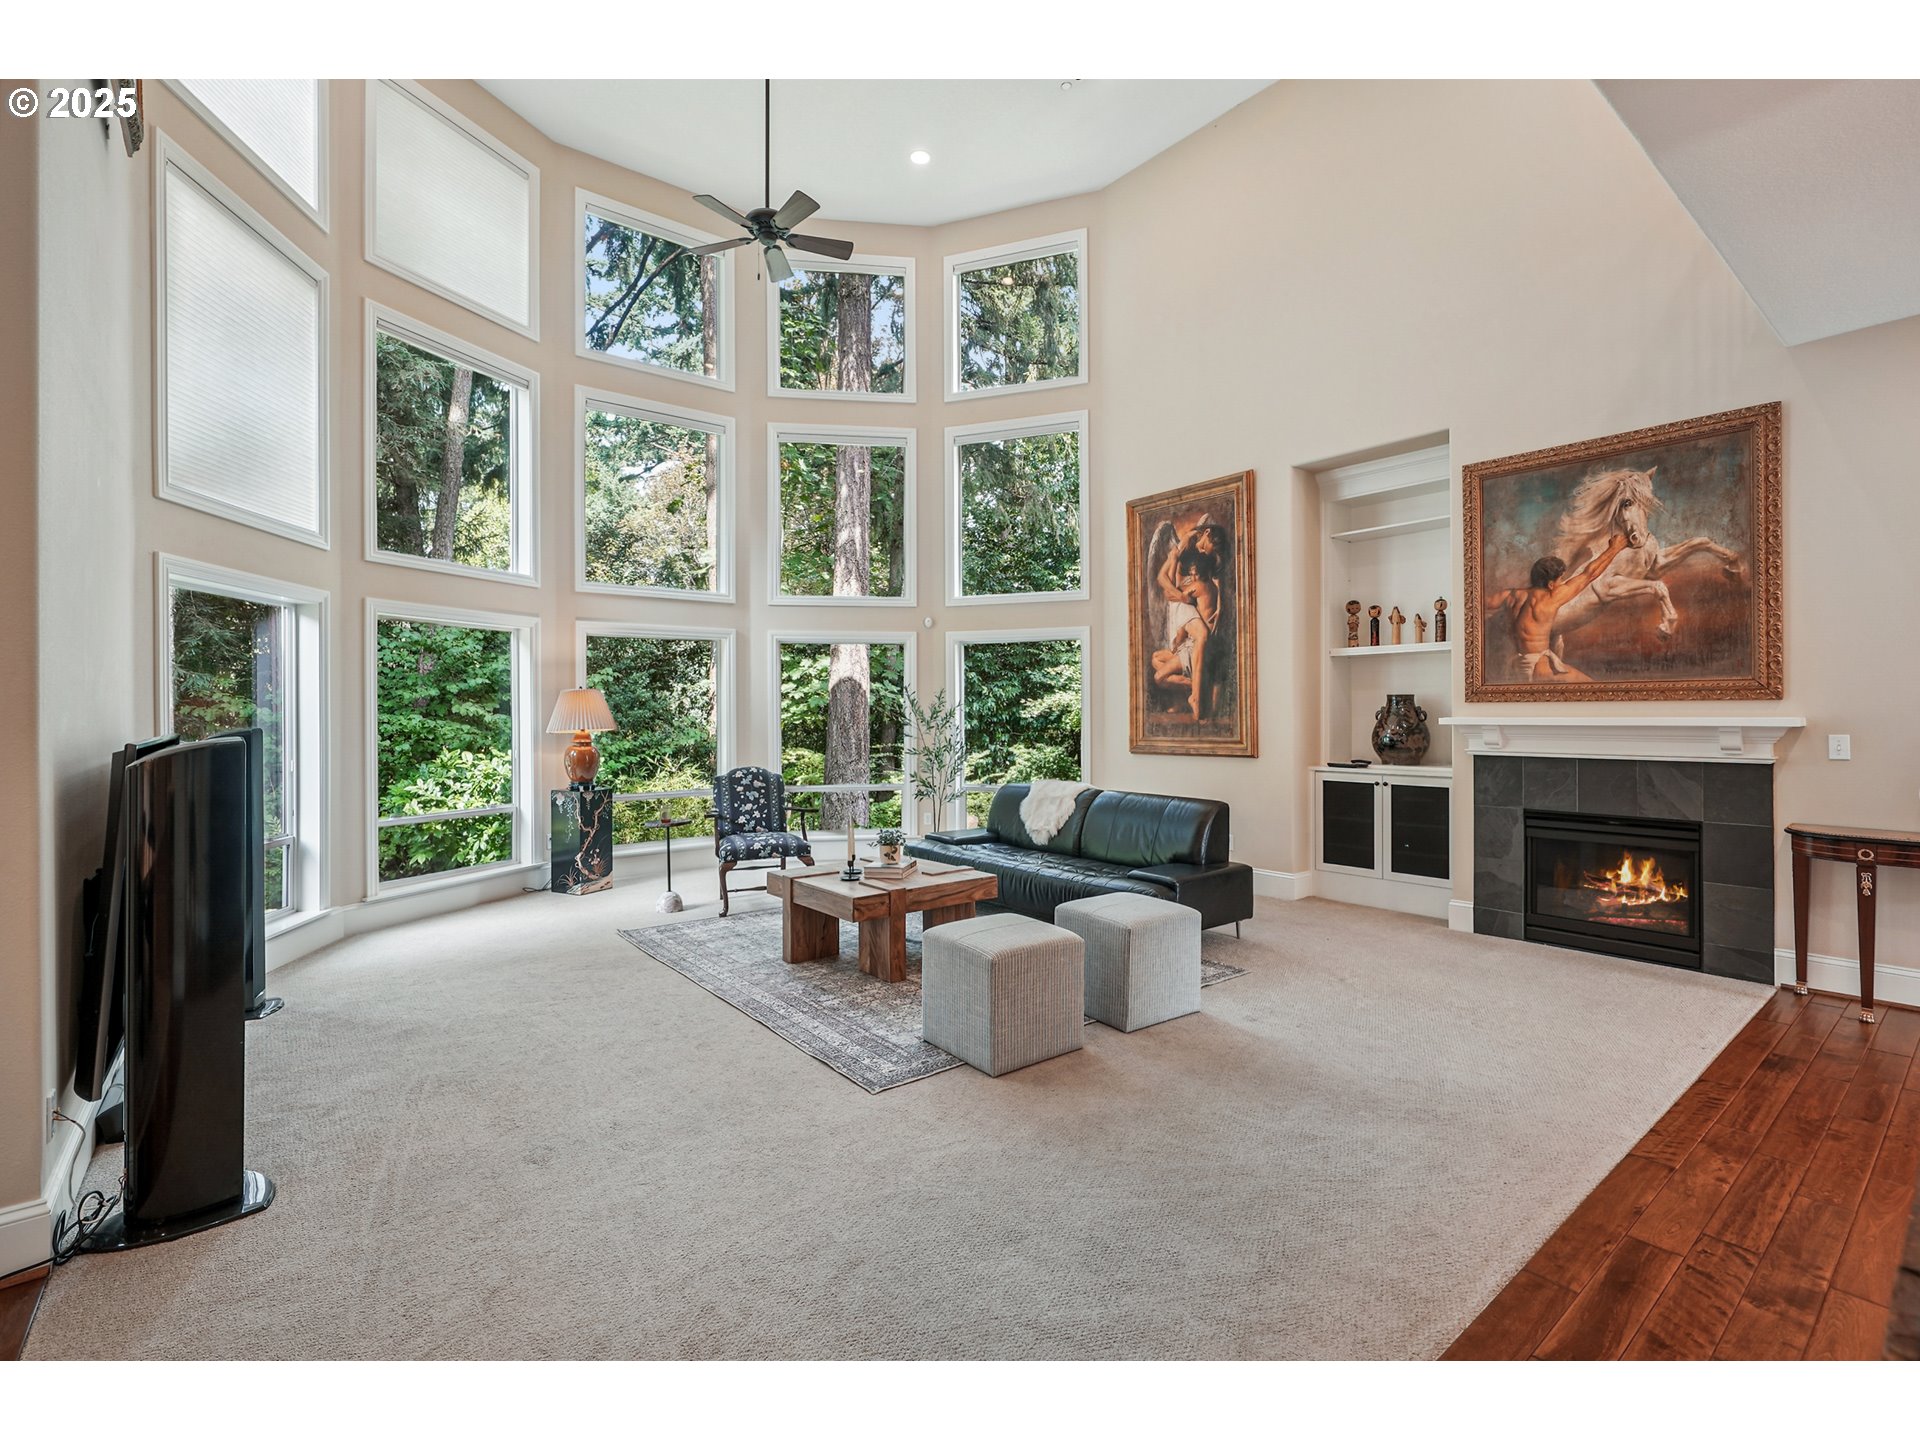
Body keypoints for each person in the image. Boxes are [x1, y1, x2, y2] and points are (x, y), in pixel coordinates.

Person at [1486, 530, 1630, 682]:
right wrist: (1614, 548)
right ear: (1550, 584)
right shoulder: (1550, 598)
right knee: (1593, 687)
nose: (1562, 583)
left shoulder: (1509, 595)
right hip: (1540, 668)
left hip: (1518, 666)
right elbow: (1590, 574)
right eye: (1561, 579)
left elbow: (1476, 603)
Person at [1151, 520, 1228, 719]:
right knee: (1157, 659)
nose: (1209, 552)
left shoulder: (1202, 578)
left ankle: (1196, 693)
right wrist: (1175, 559)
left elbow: (1214, 577)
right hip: (1186, 613)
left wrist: (1220, 604)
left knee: (1200, 636)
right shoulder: (1187, 546)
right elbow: (1166, 581)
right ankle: (1193, 687)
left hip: (1194, 626)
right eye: (1212, 548)